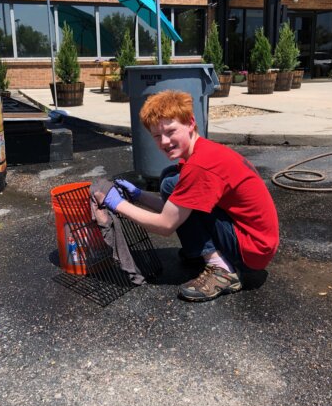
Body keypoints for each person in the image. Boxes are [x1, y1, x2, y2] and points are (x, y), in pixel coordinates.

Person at [94, 90, 279, 302]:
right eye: (156, 136)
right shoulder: (202, 152)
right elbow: (176, 207)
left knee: (172, 183)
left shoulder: (201, 166)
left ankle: (222, 270)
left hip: (252, 250)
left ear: (191, 123)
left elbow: (166, 224)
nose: (164, 141)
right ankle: (202, 251)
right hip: (252, 237)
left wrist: (117, 204)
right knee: (171, 178)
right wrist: (138, 196)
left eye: (171, 131)